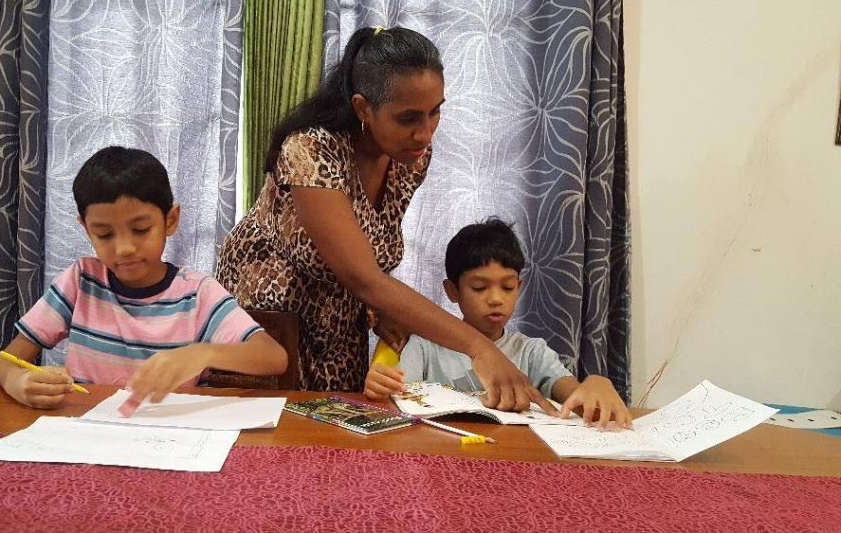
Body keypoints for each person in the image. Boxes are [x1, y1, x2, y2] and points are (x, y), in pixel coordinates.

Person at [216, 25, 556, 414]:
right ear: (363, 108)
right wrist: (480, 348)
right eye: (409, 117)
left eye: (435, 111)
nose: (425, 133)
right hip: (271, 318)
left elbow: (368, 251)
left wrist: (385, 311)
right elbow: (363, 275)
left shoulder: (408, 157)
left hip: (341, 320)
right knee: (272, 444)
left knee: (340, 440)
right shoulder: (310, 149)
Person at [0, 146, 287, 410]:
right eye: (105, 234)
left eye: (140, 229)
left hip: (170, 438)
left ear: (170, 220)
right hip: (87, 432)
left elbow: (273, 357)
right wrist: (18, 382)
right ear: (85, 228)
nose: (124, 248)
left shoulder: (197, 294)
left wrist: (202, 354)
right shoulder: (81, 281)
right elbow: (7, 361)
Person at [364, 219, 632, 428]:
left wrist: (596, 384)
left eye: (507, 287)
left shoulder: (532, 352)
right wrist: (382, 386)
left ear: (520, 286)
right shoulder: (425, 346)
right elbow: (398, 399)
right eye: (479, 288)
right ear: (452, 291)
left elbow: (574, 397)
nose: (495, 299)